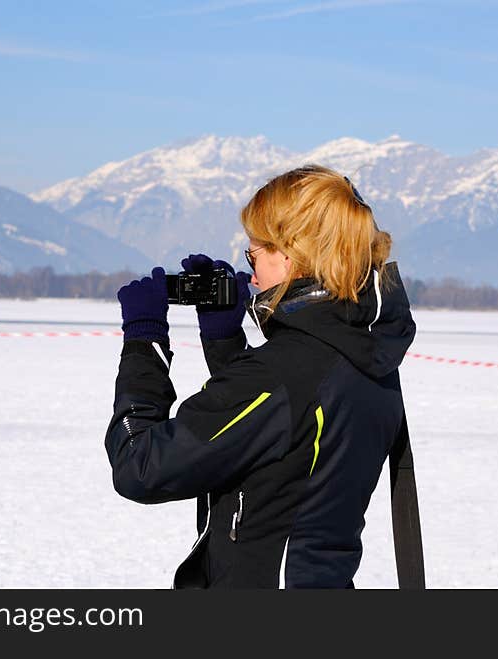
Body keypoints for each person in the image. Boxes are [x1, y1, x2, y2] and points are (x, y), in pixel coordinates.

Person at [105, 164, 424, 589]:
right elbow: (282, 445)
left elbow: (141, 467)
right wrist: (224, 340)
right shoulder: (366, 355)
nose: (252, 275)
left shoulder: (284, 374)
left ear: (291, 255)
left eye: (254, 254)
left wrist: (144, 342)